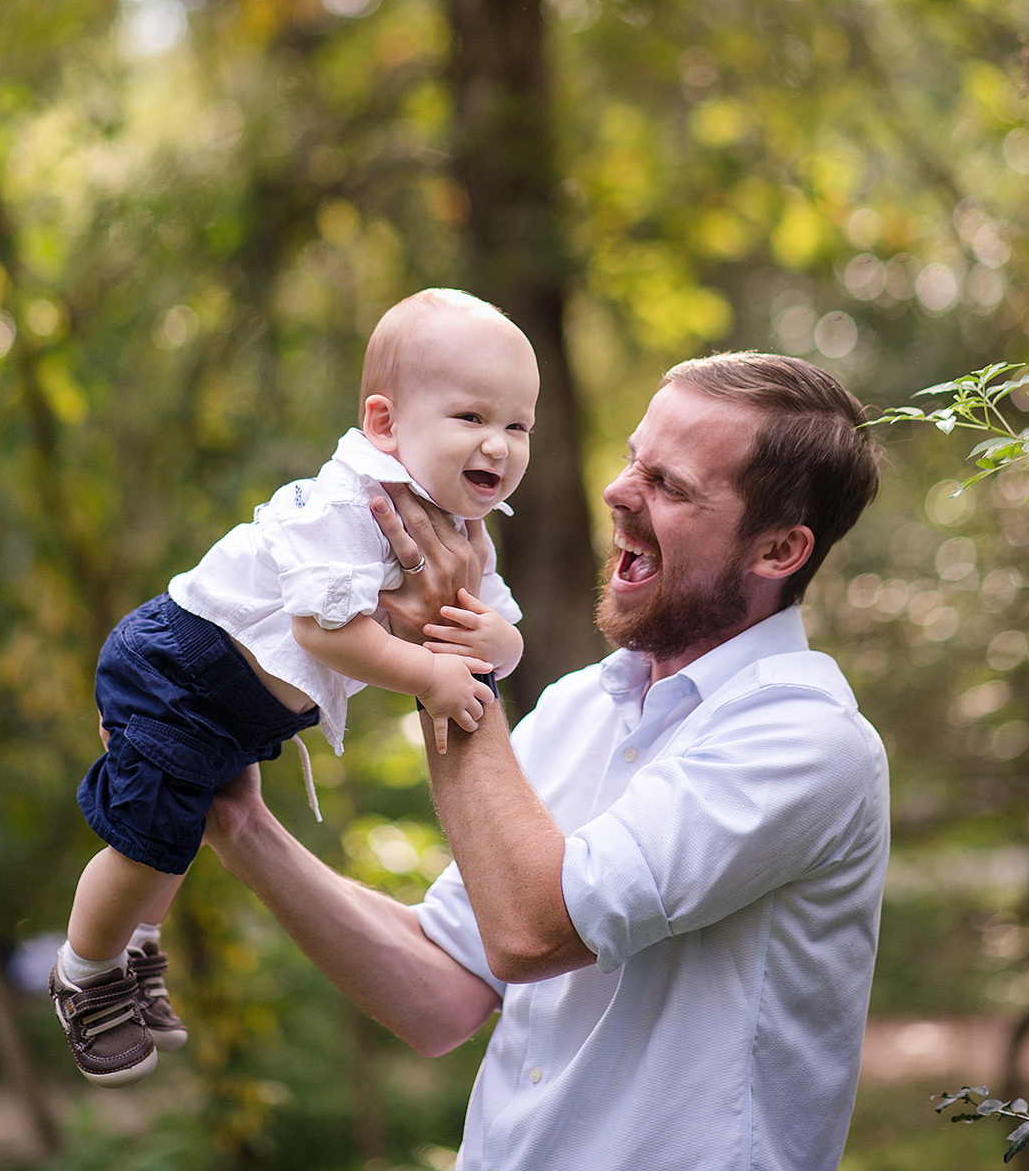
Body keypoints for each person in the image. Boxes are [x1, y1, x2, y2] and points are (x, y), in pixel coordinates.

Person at [204, 350, 890, 1171]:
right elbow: (444, 994)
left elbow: (532, 930)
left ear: (778, 551)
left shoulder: (807, 739)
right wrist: (241, 825)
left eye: (669, 486)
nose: (618, 491)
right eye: (635, 458)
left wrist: (446, 656)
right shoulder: (573, 709)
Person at [51, 289, 536, 1087]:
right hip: (179, 670)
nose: (500, 444)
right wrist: (429, 673)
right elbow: (321, 629)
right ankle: (84, 972)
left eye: (517, 426)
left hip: (238, 709)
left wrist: (499, 641)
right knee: (147, 843)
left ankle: (132, 946)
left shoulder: (459, 526)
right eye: (472, 418)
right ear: (384, 424)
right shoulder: (351, 502)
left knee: (178, 834)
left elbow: (497, 624)